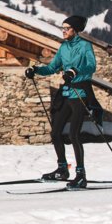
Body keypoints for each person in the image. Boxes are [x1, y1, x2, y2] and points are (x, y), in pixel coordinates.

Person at [24, 15, 96, 189]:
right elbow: (52, 67)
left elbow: (91, 67)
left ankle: (81, 175)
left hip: (79, 93)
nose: (63, 31)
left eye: (67, 28)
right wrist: (36, 70)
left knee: (74, 135)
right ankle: (62, 170)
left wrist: (74, 71)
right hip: (66, 93)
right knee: (55, 133)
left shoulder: (85, 46)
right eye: (62, 28)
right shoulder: (63, 47)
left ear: (75, 30)